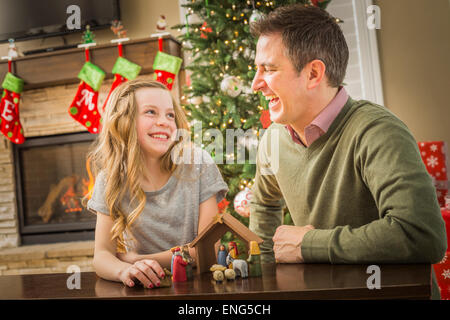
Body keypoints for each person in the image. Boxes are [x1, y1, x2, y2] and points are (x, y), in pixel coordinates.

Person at [249, 4, 447, 298]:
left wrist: (308, 244)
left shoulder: (378, 131)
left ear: (314, 73)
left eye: (269, 69)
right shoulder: (272, 141)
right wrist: (265, 284)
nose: (255, 85)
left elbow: (422, 235)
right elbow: (264, 206)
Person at [87, 79, 228, 289]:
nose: (164, 121)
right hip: (146, 288)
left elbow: (207, 250)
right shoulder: (110, 179)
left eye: (170, 115)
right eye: (151, 112)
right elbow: (102, 256)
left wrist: (134, 259)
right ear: (124, 121)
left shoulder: (198, 164)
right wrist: (124, 270)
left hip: (198, 288)